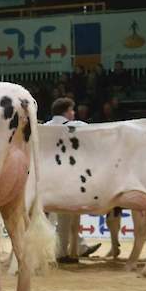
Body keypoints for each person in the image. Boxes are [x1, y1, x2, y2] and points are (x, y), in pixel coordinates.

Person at [44, 98, 100, 263]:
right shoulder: (77, 126)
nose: (73, 113)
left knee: (46, 216)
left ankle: (79, 247)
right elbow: (98, 131)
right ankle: (61, 253)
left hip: (45, 177)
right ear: (67, 111)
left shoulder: (44, 128)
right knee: (65, 216)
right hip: (66, 177)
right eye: (72, 110)